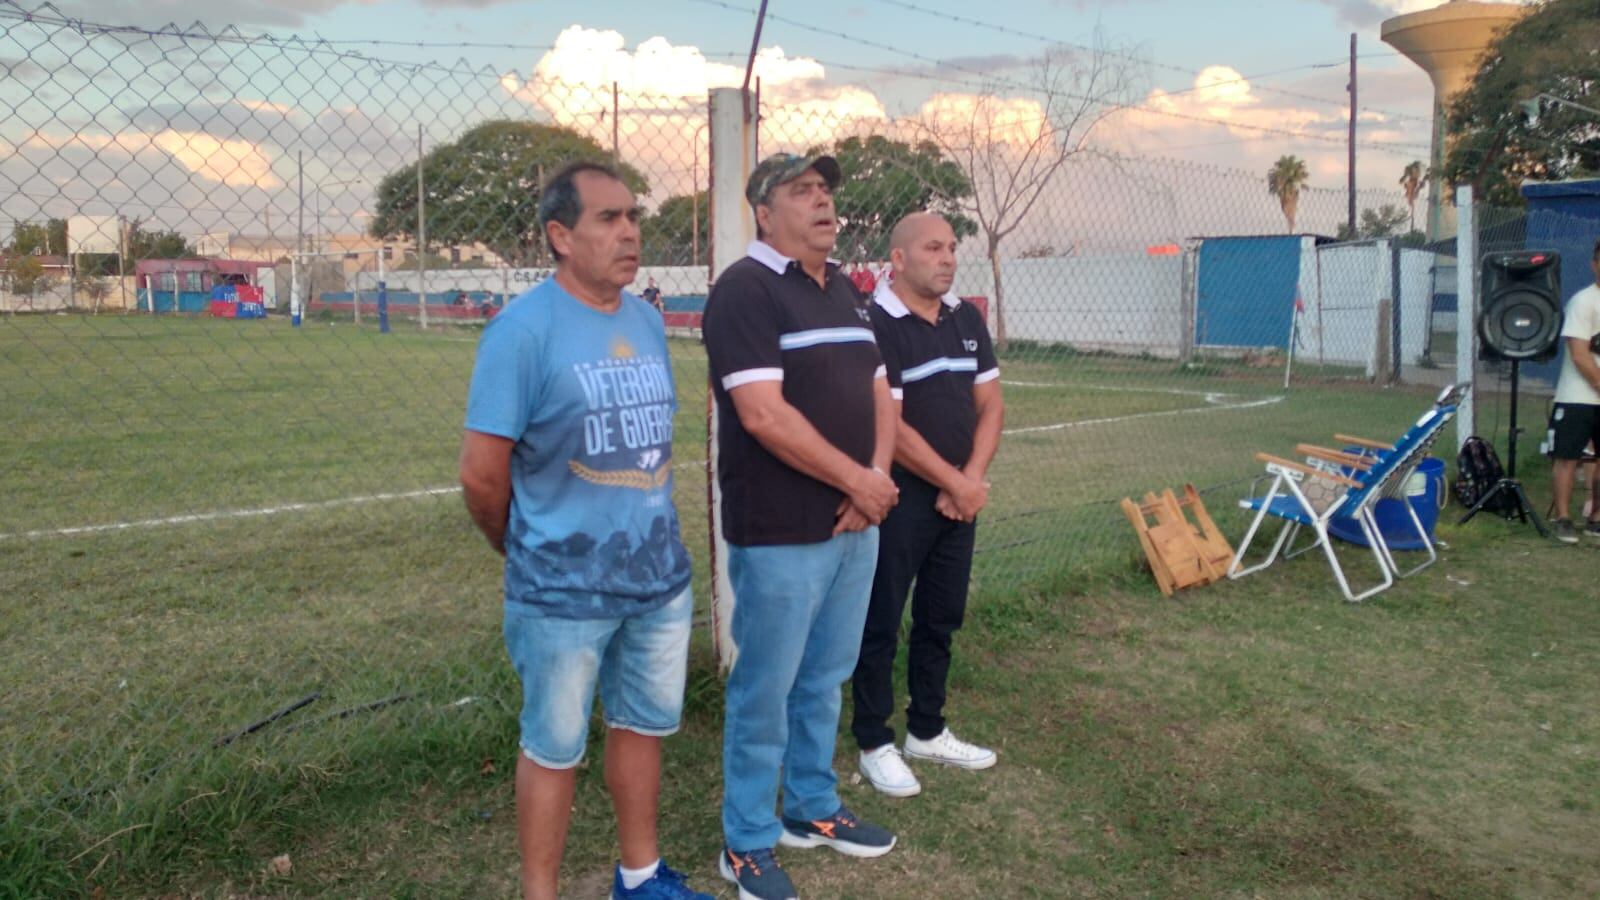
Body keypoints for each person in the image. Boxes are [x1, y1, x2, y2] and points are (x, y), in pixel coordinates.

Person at [458, 161, 711, 900]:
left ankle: (639, 877)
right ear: (560, 236)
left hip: (656, 580)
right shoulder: (521, 333)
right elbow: (481, 475)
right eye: (608, 219)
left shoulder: (644, 318)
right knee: (554, 747)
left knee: (641, 727)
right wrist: (528, 546)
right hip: (562, 590)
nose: (629, 232)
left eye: (633, 216)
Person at [702, 153, 901, 900]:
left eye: (825, 191)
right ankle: (746, 839)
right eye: (801, 192)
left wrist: (873, 487)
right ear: (763, 209)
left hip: (858, 522)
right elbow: (762, 415)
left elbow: (880, 392)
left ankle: (812, 807)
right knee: (766, 686)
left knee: (824, 679)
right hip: (783, 532)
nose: (822, 202)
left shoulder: (846, 290)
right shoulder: (744, 291)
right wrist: (859, 482)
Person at [850, 213, 1005, 799]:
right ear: (897, 258)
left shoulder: (966, 318)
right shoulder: (876, 324)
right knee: (880, 620)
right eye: (933, 248)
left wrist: (969, 479)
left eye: (951, 248)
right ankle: (873, 741)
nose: (947, 258)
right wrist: (952, 481)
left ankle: (927, 729)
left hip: (958, 496)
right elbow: (890, 421)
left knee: (941, 617)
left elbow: (990, 405)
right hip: (901, 498)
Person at [1547, 238, 1600, 543]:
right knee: (1567, 457)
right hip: (1577, 396)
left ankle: (1596, 517)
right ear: (1594, 265)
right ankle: (1564, 518)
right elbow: (1579, 353)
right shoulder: (1583, 302)